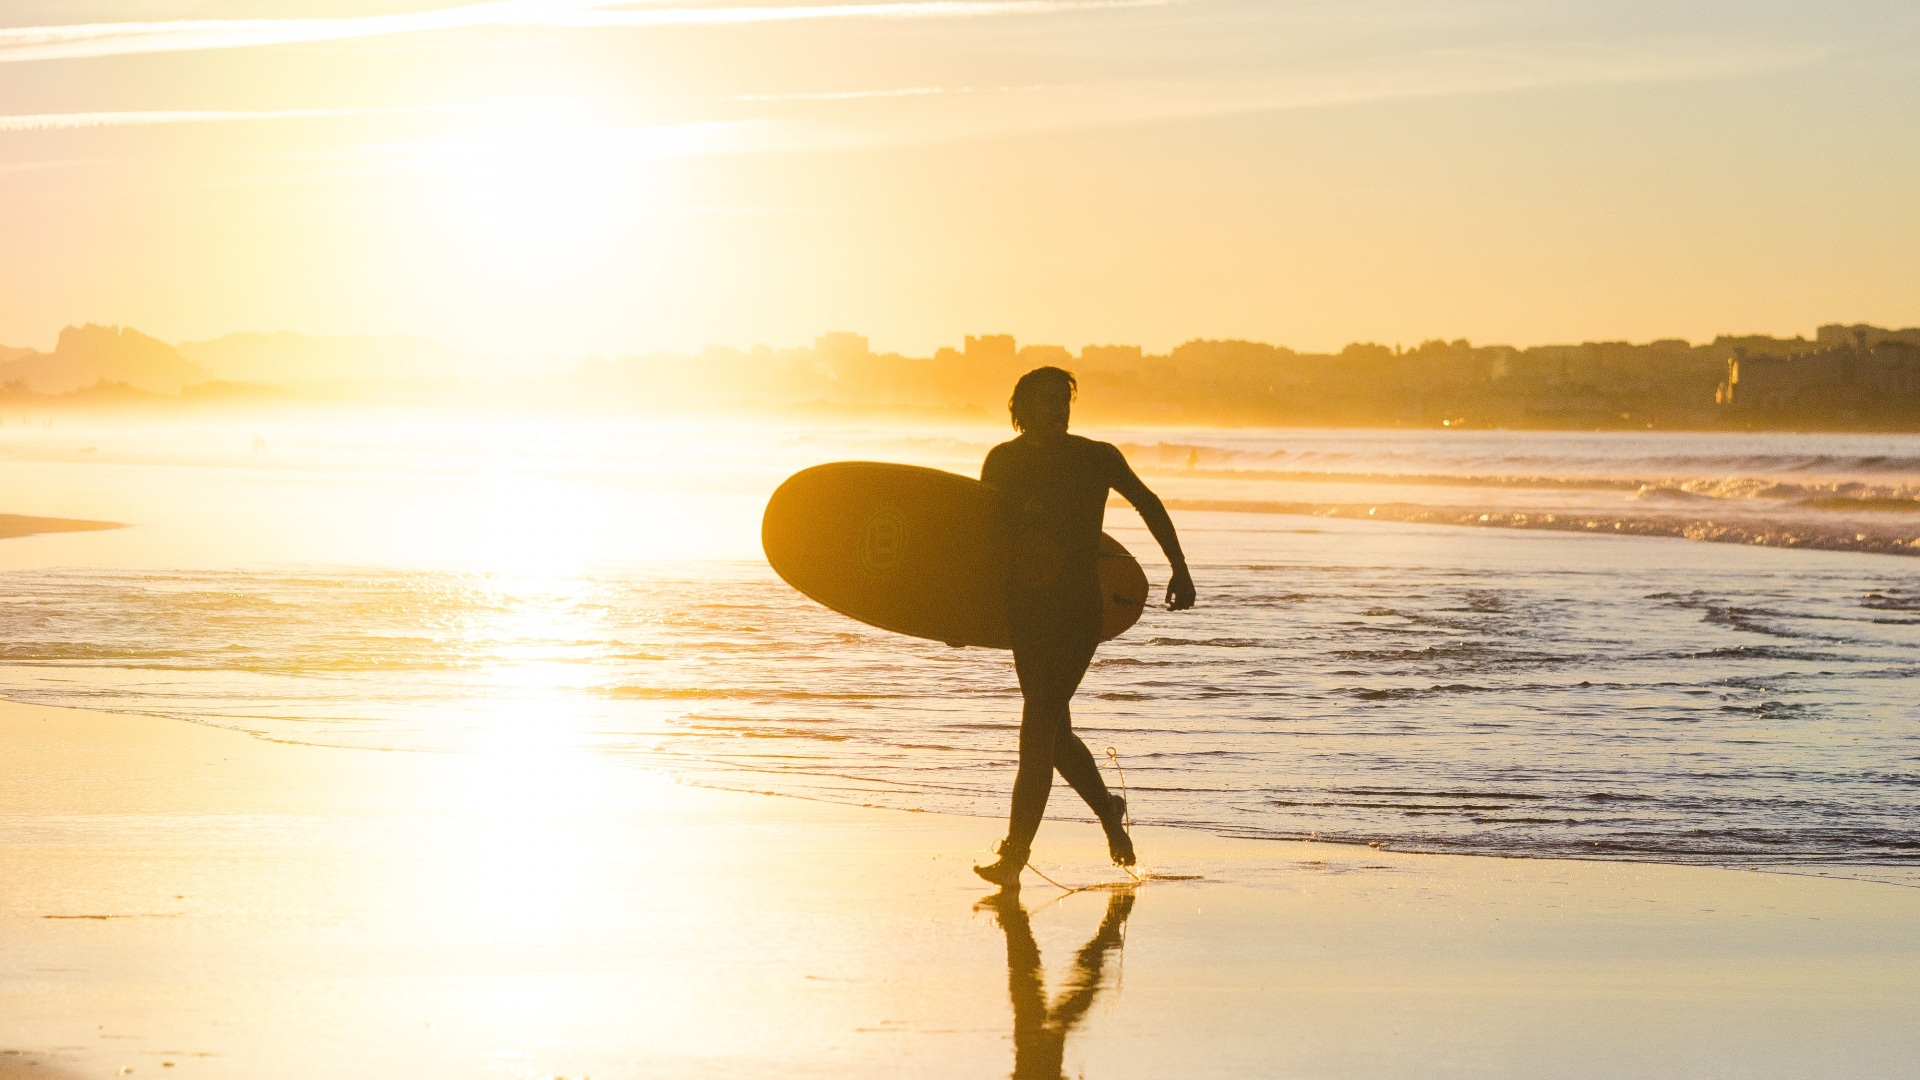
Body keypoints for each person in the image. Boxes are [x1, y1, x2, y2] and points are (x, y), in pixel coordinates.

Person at [973, 366, 1195, 888]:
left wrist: (1179, 568)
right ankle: (1108, 811)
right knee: (1054, 734)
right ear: (1020, 408)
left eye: (1063, 399)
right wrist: (962, 614)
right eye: (1045, 400)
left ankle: (1014, 858)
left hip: (1077, 607)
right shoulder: (1002, 462)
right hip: (1025, 609)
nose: (1058, 408)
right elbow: (983, 542)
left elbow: (1149, 503)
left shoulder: (1096, 457)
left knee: (1037, 728)